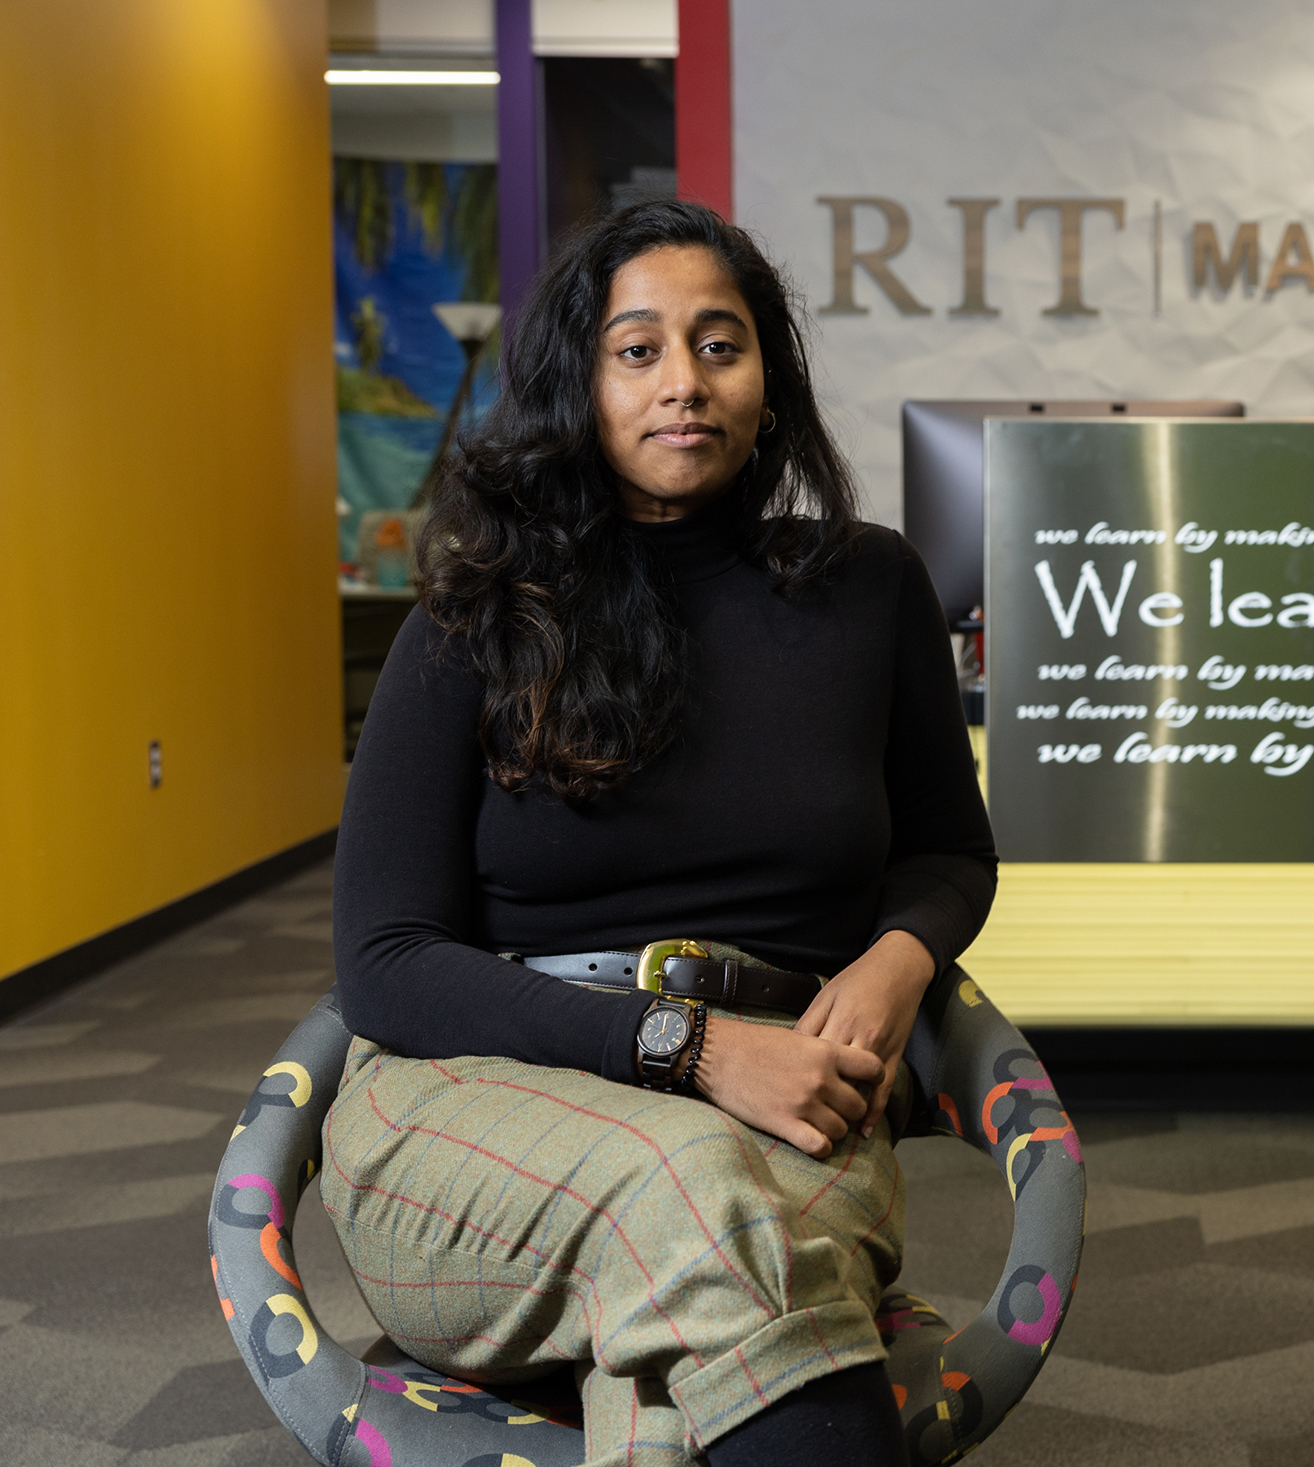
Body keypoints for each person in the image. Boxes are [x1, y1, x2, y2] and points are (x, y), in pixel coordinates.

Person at [325, 199, 995, 1467]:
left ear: (770, 379)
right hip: (470, 1121)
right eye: (636, 350)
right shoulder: (475, 618)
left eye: (719, 344)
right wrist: (689, 1052)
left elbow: (951, 852)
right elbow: (385, 962)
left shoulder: (870, 586)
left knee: (690, 1298)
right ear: (577, 383)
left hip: (788, 1110)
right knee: (703, 1202)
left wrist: (897, 957)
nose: (683, 383)